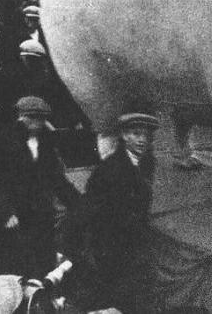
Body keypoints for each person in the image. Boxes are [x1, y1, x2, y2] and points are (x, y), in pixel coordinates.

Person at [70, 112, 159, 313]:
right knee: (107, 295)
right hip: (109, 245)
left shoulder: (146, 163)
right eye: (136, 134)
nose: (142, 140)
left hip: (132, 243)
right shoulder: (109, 168)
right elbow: (93, 209)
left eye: (146, 135)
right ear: (124, 135)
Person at [0, 96, 80, 279]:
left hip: (41, 214)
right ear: (21, 117)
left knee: (44, 262)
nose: (37, 123)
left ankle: (42, 291)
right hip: (14, 216)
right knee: (17, 266)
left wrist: (79, 203)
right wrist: (5, 212)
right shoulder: (2, 142)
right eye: (32, 117)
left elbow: (56, 179)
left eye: (41, 118)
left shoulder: (46, 144)